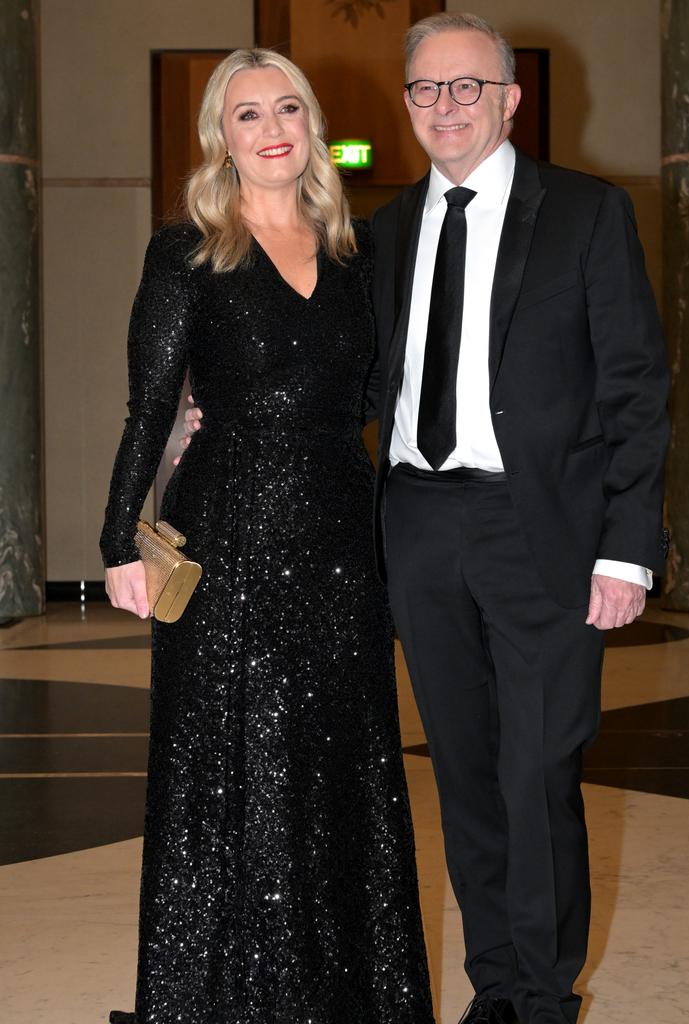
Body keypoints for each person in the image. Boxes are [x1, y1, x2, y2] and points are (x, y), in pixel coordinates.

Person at [100, 48, 434, 1024]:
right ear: (222, 137)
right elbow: (148, 403)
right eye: (247, 114)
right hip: (227, 533)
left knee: (341, 768)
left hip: (339, 534)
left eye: (287, 107)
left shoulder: (358, 250)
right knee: (229, 771)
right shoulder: (188, 251)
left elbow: (380, 395)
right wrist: (120, 536)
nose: (272, 127)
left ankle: (344, 997)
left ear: (313, 125)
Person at [368, 12, 669, 1024]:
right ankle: (497, 983)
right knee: (462, 770)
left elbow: (637, 387)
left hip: (542, 527)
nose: (445, 106)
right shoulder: (383, 233)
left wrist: (628, 548)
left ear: (509, 99)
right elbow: (346, 382)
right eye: (426, 88)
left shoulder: (586, 213)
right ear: (406, 102)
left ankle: (541, 998)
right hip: (416, 523)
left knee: (537, 768)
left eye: (467, 87)